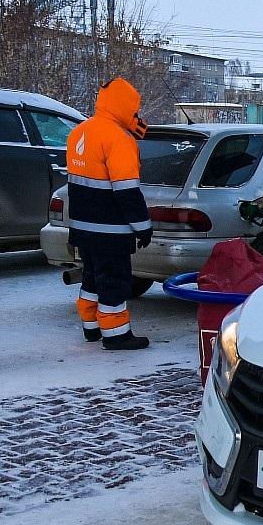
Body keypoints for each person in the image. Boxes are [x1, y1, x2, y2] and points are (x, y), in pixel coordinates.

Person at [66, 77, 153, 350]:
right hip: (111, 229)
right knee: (115, 280)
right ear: (125, 107)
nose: (137, 116)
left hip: (82, 226)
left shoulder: (79, 131)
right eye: (135, 110)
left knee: (92, 277)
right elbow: (127, 191)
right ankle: (116, 334)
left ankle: (91, 327)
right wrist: (142, 226)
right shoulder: (119, 139)